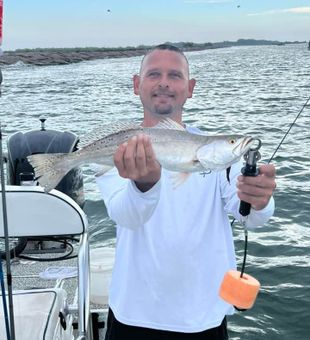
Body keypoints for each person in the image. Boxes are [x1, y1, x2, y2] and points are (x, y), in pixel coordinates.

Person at [96, 44, 276, 340]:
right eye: (154, 74)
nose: (164, 82)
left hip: (203, 314)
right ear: (136, 85)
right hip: (134, 311)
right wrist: (145, 185)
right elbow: (125, 215)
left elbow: (250, 219)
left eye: (175, 75)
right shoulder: (122, 148)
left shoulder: (219, 158)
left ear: (190, 88)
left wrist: (259, 200)